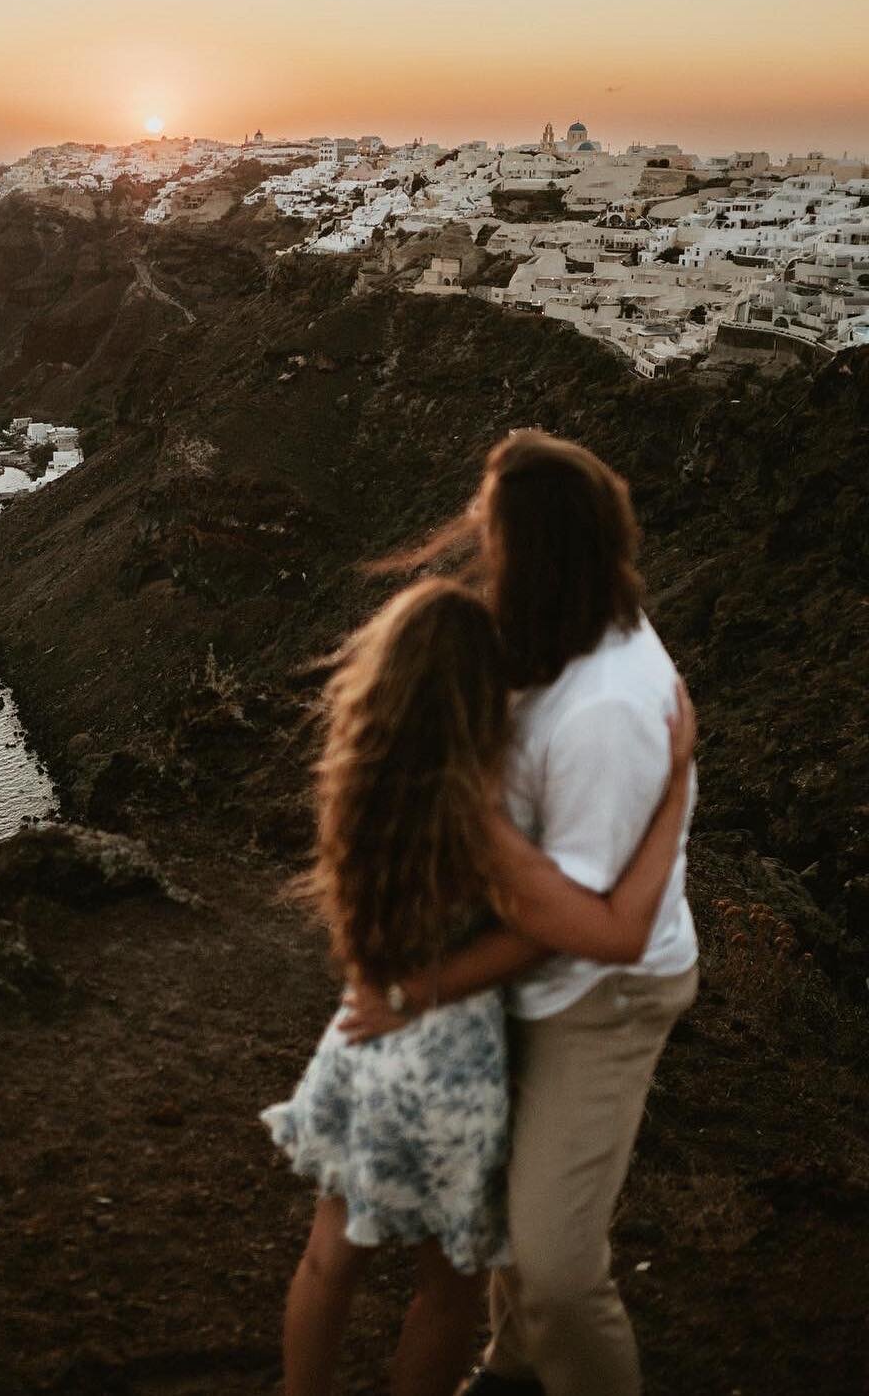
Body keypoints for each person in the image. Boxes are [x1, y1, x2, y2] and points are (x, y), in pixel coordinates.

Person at [262, 575, 696, 1396]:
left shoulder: (359, 788)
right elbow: (557, 931)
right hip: (448, 1067)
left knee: (329, 1257)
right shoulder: (479, 820)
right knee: (448, 1287)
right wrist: (671, 785)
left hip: (361, 1039)